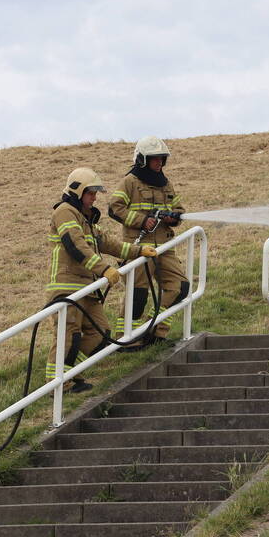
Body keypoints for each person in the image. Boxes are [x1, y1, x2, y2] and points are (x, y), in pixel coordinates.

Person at [45, 167, 157, 391]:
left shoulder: (85, 219)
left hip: (88, 288)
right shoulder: (65, 212)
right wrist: (104, 268)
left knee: (101, 333)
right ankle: (57, 383)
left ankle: (69, 374)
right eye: (91, 193)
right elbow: (75, 245)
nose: (94, 198)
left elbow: (109, 243)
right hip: (67, 288)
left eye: (95, 193)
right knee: (69, 335)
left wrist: (139, 251)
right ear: (77, 191)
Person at [108, 136, 189, 346]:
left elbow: (179, 209)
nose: (159, 163)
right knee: (138, 295)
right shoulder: (130, 182)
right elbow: (114, 208)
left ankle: (155, 331)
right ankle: (126, 339)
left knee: (179, 287)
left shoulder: (166, 184)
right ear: (142, 159)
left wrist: (174, 217)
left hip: (165, 247)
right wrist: (142, 221)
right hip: (139, 248)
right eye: (155, 159)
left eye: (162, 159)